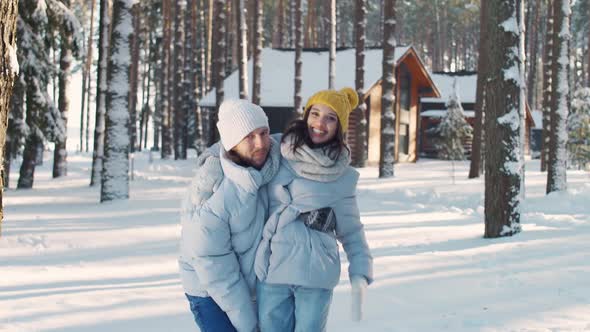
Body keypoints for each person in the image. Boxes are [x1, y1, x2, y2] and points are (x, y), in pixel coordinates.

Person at [254, 87, 374, 332]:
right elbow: (239, 147)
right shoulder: (278, 151)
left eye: (331, 118)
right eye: (315, 113)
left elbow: (352, 231)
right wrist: (213, 159)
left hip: (316, 275)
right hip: (273, 269)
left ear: (339, 127)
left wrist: (360, 274)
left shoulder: (343, 176)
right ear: (306, 115)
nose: (320, 123)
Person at [178, 99, 281, 332]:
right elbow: (214, 266)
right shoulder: (212, 195)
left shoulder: (268, 166)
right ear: (232, 143)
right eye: (249, 136)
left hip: (248, 285)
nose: (261, 143)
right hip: (208, 290)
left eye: (264, 133)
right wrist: (249, 325)